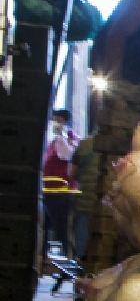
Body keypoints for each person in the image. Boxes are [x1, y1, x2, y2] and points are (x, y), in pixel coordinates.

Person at [40, 109, 76, 257]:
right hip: (48, 192)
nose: (55, 123)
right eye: (54, 119)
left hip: (62, 193)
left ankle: (66, 260)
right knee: (46, 226)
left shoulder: (70, 139)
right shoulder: (51, 142)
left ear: (65, 122)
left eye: (58, 120)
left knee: (62, 230)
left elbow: (66, 155)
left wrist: (61, 135)